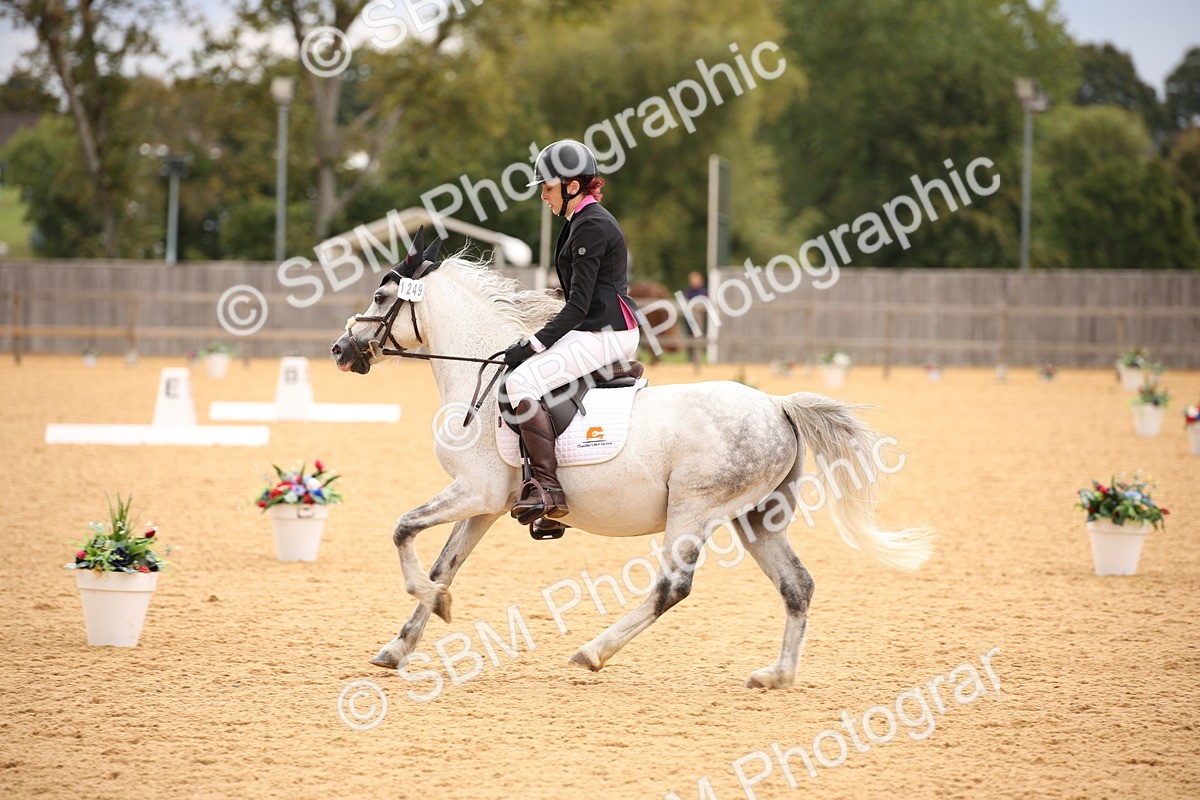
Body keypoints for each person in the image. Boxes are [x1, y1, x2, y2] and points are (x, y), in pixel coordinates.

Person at [502, 139, 641, 525]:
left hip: (604, 331)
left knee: (522, 383)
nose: (543, 197)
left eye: (547, 188)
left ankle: (548, 488)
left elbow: (577, 307)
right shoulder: (581, 222)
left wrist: (532, 344)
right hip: (599, 327)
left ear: (572, 186)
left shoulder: (591, 226)